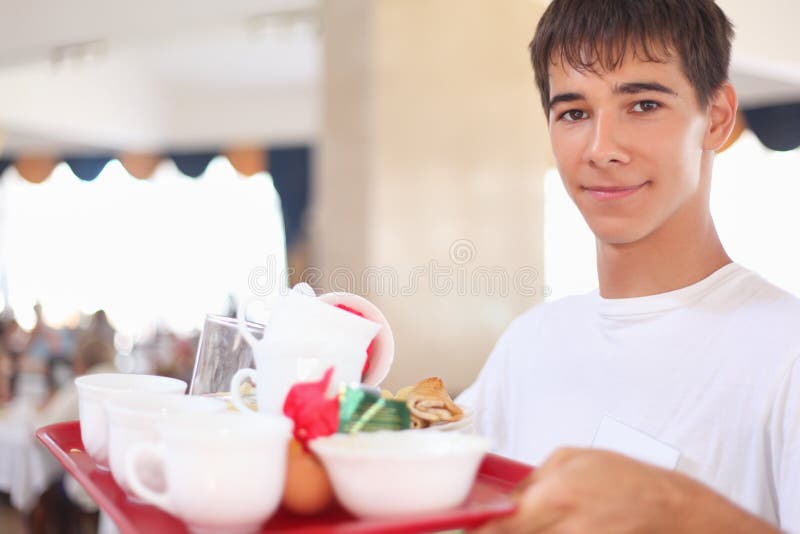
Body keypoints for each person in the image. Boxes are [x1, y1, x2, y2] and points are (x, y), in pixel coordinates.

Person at [460, 1, 800, 532]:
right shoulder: (528, 344)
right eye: (574, 112)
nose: (601, 148)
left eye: (642, 105)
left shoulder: (786, 351)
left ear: (716, 117)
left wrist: (679, 510)